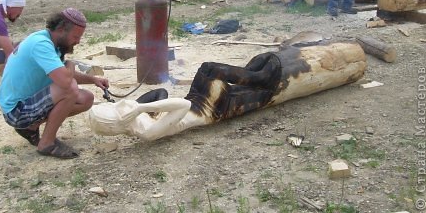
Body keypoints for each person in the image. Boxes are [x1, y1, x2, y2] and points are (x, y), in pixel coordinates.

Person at [88, 41, 366, 141]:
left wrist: (139, 101)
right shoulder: (145, 131)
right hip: (209, 112)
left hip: (196, 101)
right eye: (114, 112)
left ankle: (258, 73)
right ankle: (261, 75)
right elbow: (182, 109)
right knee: (210, 69)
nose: (120, 110)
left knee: (210, 70)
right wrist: (140, 108)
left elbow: (161, 94)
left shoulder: (133, 118)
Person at [0, 8, 109, 159]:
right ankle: (47, 143)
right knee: (70, 89)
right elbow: (65, 80)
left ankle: (31, 127)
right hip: (17, 111)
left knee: (86, 98)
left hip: (27, 102)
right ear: (62, 29)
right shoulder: (41, 44)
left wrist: (93, 80)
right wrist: (70, 64)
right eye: (76, 36)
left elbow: (62, 73)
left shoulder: (51, 42)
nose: (78, 41)